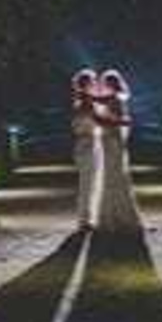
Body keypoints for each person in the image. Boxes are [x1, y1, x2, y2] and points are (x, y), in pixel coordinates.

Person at [89, 67, 142, 233]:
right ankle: (112, 215)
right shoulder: (112, 99)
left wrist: (99, 120)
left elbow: (118, 121)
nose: (103, 86)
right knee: (110, 176)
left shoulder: (116, 100)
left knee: (114, 176)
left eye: (106, 83)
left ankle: (114, 217)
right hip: (108, 138)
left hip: (112, 139)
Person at [70, 69, 100, 230]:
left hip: (88, 143)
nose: (95, 85)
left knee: (89, 183)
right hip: (87, 144)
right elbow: (82, 125)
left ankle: (87, 218)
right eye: (92, 82)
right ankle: (84, 220)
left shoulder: (83, 100)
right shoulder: (85, 102)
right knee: (87, 184)